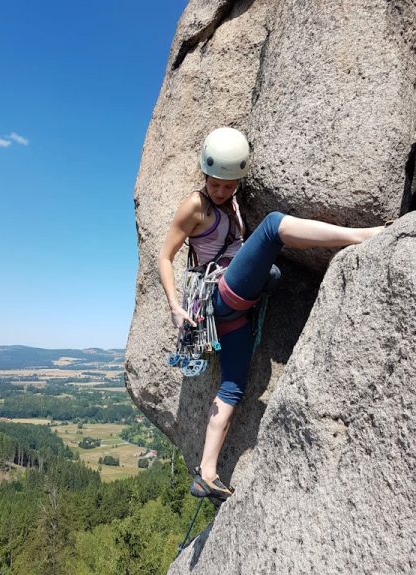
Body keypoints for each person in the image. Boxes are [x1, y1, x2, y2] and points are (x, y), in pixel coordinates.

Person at [158, 127, 384, 505]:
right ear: (204, 175)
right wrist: (174, 306)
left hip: (230, 316)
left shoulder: (231, 204)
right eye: (216, 184)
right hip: (221, 292)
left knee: (233, 388)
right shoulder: (194, 206)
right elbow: (165, 256)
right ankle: (361, 236)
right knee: (274, 225)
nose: (222, 192)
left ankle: (207, 474)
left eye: (230, 186)